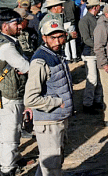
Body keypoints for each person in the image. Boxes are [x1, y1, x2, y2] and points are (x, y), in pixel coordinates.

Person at [24, 19, 74, 176]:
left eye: (60, 36)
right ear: (44, 38)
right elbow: (30, 99)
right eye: (52, 37)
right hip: (48, 122)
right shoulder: (40, 61)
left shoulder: (56, 54)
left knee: (50, 164)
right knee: (51, 166)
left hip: (58, 119)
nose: (57, 41)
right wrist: (58, 102)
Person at [0, 9, 30, 176]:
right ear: (5, 26)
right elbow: (25, 67)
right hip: (10, 96)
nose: (19, 26)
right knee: (11, 137)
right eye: (16, 23)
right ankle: (7, 170)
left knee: (3, 133)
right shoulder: (7, 46)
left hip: (2, 94)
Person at [79, 0, 103, 113]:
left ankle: (97, 101)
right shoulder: (84, 21)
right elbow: (86, 39)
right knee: (92, 79)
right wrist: (98, 46)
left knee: (99, 79)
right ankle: (87, 104)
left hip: (97, 52)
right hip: (90, 53)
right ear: (95, 7)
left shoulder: (95, 19)